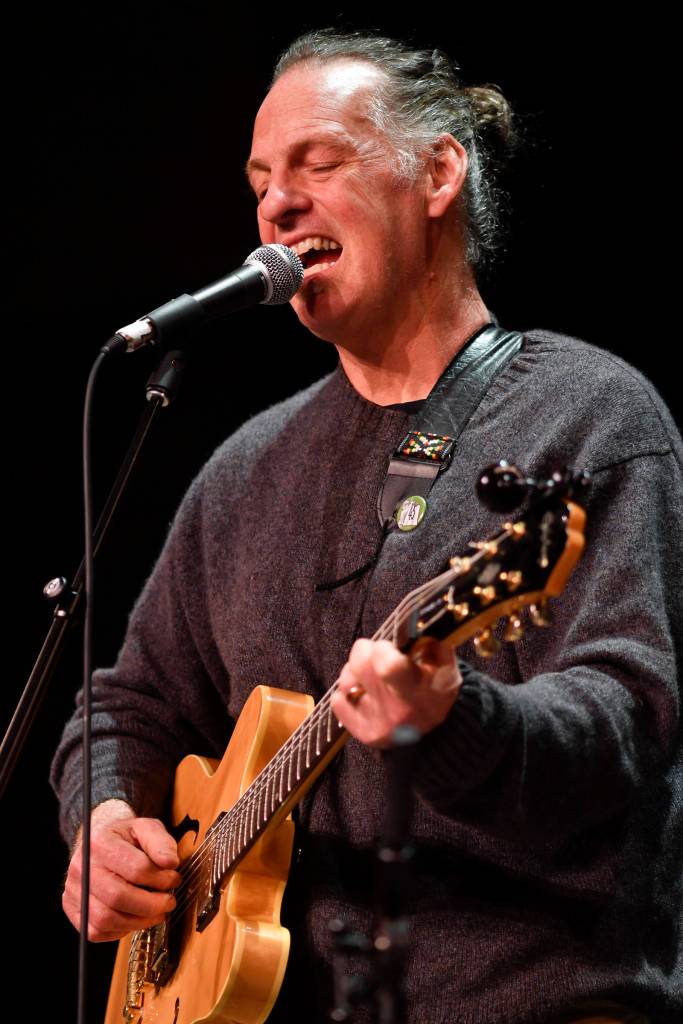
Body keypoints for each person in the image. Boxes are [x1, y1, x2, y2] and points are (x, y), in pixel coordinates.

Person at [51, 29, 682, 1024]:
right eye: (260, 180)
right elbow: (128, 703)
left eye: (318, 163)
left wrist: (456, 722)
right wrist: (105, 816)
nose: (276, 204)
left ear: (436, 173)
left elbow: (626, 726)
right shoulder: (245, 468)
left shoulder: (588, 416)